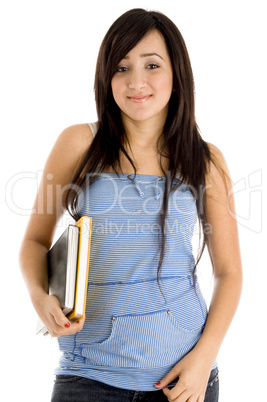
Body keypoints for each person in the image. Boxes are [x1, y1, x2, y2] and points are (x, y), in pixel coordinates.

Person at [19, 8, 242, 402]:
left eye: (151, 65)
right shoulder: (78, 144)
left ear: (177, 74)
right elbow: (35, 242)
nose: (136, 82)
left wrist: (204, 358)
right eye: (121, 68)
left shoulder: (205, 160)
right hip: (88, 377)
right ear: (106, 77)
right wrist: (41, 300)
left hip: (184, 378)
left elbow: (229, 272)